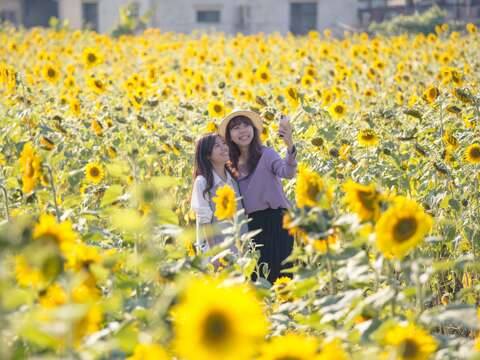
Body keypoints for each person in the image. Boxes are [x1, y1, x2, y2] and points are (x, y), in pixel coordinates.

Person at [218, 109, 297, 283]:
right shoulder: (229, 164)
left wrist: (289, 145)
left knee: (282, 273)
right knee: (258, 276)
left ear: (254, 130)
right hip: (250, 225)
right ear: (230, 136)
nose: (243, 131)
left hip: (278, 221)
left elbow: (288, 172)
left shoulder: (267, 154)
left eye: (246, 126)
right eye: (236, 127)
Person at [190, 133, 245, 258]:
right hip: (218, 253)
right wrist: (214, 256)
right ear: (207, 155)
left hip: (240, 249)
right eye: (217, 146)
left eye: (224, 144)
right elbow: (205, 222)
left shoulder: (234, 179)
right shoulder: (202, 182)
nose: (224, 148)